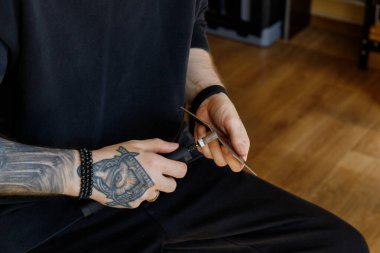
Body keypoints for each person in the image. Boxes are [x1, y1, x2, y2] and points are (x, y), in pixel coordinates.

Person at [0, 1, 369, 252]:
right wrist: (88, 173)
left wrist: (207, 94)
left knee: (338, 245)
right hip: (39, 216)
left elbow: (189, 28)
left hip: (174, 171)